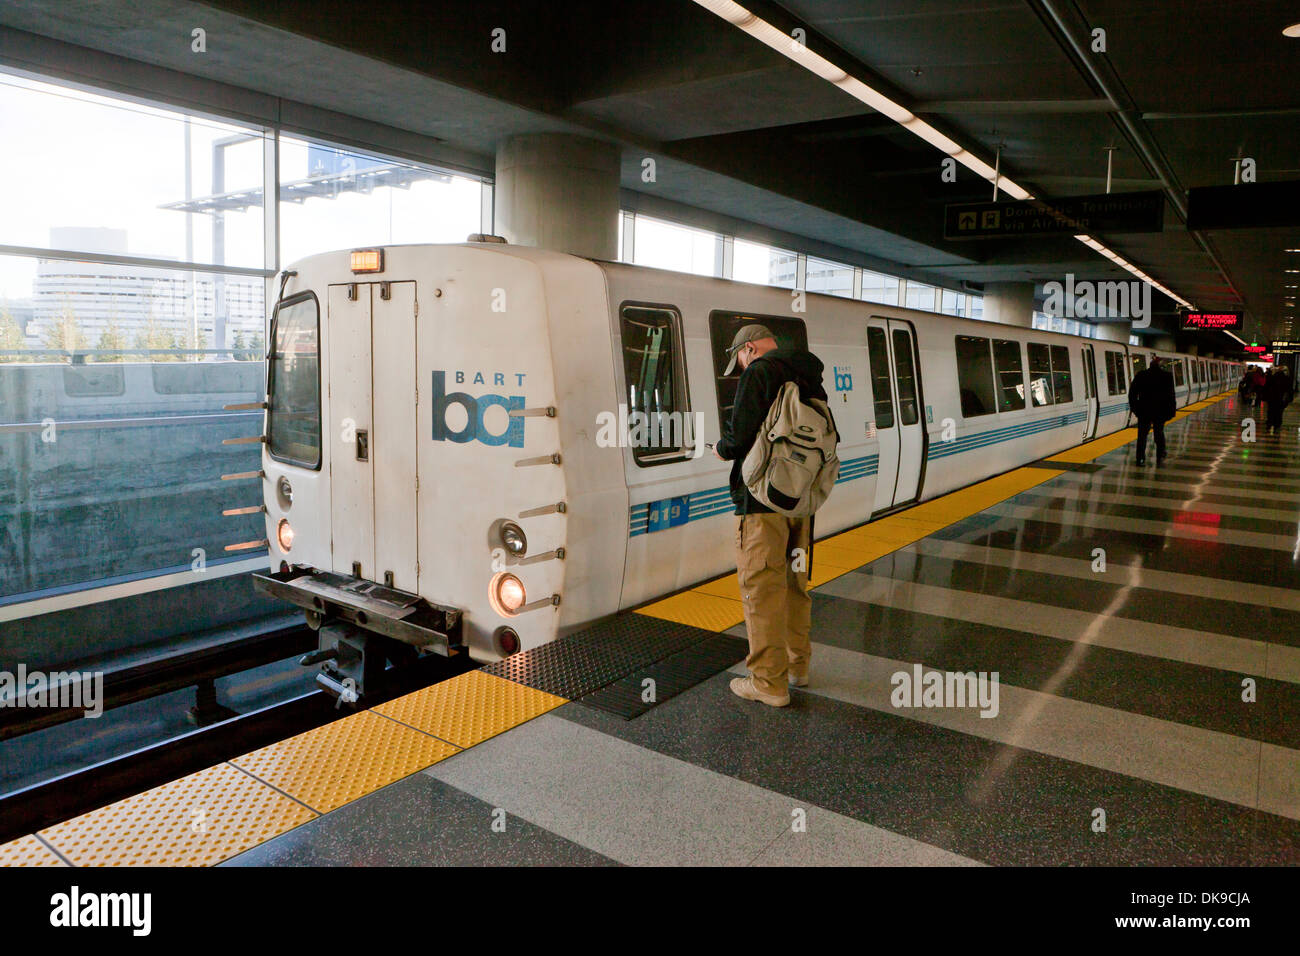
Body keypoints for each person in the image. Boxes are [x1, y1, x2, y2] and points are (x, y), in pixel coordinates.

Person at [714, 324, 828, 708]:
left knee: (762, 591)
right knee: (795, 586)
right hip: (800, 502)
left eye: (740, 360)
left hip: (762, 505)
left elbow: (739, 437)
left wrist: (721, 447)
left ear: (749, 349)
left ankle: (768, 684)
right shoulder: (808, 374)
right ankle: (798, 668)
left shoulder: (760, 372)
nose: (742, 365)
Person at [1128, 355, 1176, 465]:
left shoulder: (1141, 375)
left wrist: (1135, 409)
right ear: (1161, 366)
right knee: (1159, 433)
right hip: (1160, 412)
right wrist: (1171, 412)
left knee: (1142, 436)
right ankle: (1160, 456)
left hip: (1144, 411)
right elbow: (1171, 396)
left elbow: (1132, 394)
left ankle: (1140, 458)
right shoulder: (1167, 377)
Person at [1264, 366, 1294, 434]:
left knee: (1271, 411)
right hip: (1281, 399)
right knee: (1279, 412)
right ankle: (1277, 425)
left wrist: (1265, 397)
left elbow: (1266, 387)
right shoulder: (1287, 379)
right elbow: (1290, 390)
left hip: (1271, 398)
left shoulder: (1272, 377)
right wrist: (1290, 398)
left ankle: (1269, 423)